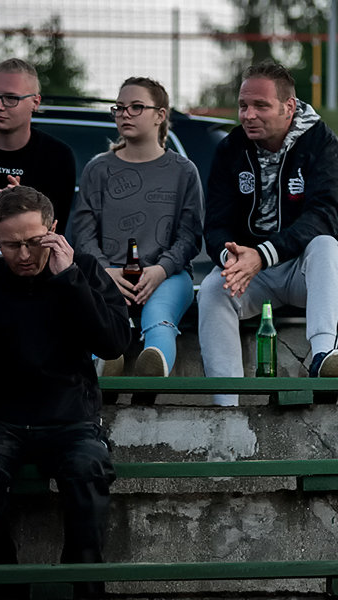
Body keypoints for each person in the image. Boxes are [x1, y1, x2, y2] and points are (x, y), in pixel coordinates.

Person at [0, 186, 130, 598]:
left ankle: (84, 587)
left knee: (88, 470)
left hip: (71, 418)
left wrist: (69, 278)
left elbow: (113, 343)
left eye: (34, 242)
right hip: (1, 419)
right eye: (10, 245)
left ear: (53, 230)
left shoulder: (83, 270)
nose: (23, 255)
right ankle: (3, 587)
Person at [198, 61, 338, 407]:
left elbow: (324, 216)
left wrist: (263, 254)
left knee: (326, 245)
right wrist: (232, 258)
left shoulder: (321, 142)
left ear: (289, 107)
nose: (248, 115)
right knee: (211, 288)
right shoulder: (230, 148)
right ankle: (226, 406)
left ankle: (323, 358)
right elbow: (216, 224)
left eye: (261, 106)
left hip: (306, 268)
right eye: (243, 105)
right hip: (254, 270)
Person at [72, 77, 203, 389]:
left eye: (136, 107)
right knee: (100, 316)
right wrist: (106, 271)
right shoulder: (98, 169)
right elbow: (83, 233)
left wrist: (160, 270)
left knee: (159, 316)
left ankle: (154, 368)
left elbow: (190, 236)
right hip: (108, 273)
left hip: (168, 275)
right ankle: (105, 363)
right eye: (119, 108)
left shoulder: (183, 171)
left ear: (160, 115)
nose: (125, 114)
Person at [0, 58, 76, 280]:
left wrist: (23, 205)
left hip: (33, 268)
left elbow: (53, 231)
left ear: (35, 102)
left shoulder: (57, 157)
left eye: (11, 98)